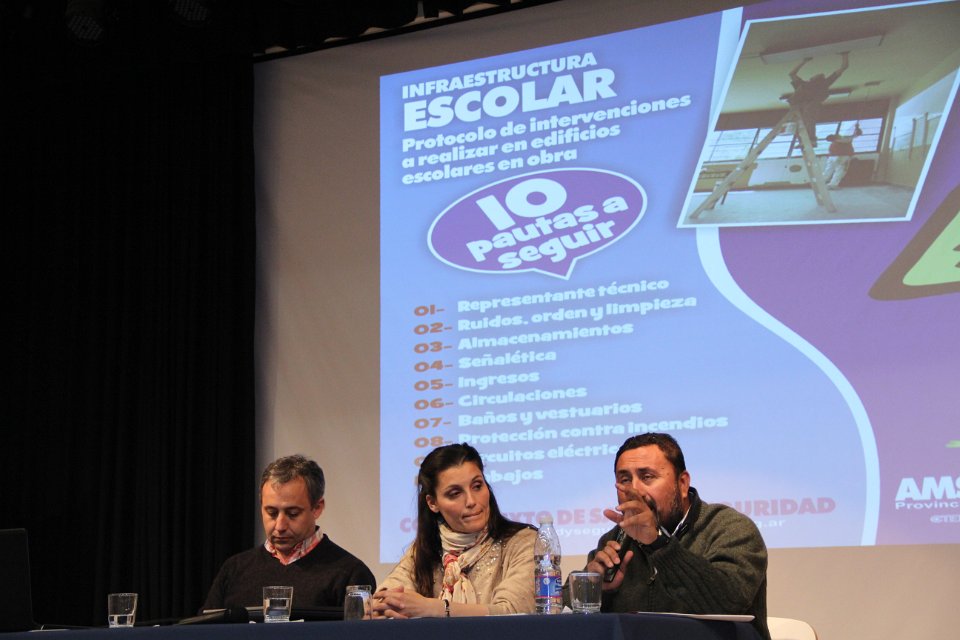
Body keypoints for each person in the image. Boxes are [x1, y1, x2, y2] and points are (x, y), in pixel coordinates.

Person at [579, 433, 770, 640]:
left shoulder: (729, 528)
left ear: (683, 483)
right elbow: (560, 607)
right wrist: (590, 588)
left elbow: (728, 602)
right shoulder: (616, 539)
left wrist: (658, 544)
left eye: (647, 477)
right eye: (625, 480)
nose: (635, 490)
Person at [372, 443, 536, 618]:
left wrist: (433, 608)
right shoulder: (425, 549)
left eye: (477, 486)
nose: (471, 501)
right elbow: (384, 600)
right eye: (455, 493)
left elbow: (513, 612)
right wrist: (382, 607)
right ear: (432, 503)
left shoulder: (524, 542)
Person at [202, 454, 376, 611]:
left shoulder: (350, 574)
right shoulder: (234, 569)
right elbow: (204, 630)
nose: (280, 526)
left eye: (292, 514)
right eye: (271, 513)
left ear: (317, 508)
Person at [787, 52, 849, 145]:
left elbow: (843, 67)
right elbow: (792, 74)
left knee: (805, 122)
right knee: (808, 121)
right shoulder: (805, 84)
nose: (815, 75)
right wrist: (845, 55)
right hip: (802, 104)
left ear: (814, 79)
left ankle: (807, 140)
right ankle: (809, 140)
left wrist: (803, 61)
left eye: (818, 75)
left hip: (802, 104)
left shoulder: (821, 84)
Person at [823, 124, 863, 188]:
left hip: (831, 157)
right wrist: (856, 132)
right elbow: (850, 138)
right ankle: (833, 184)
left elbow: (853, 136)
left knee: (828, 170)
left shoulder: (834, 143)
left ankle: (821, 182)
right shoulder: (842, 140)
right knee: (840, 170)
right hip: (841, 157)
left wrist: (856, 130)